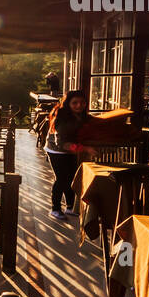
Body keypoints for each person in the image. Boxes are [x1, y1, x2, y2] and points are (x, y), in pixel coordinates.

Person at [44, 90, 92, 220]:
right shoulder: (62, 117)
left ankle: (70, 206)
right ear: (68, 103)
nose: (79, 105)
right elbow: (61, 143)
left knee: (71, 177)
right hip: (56, 150)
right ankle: (55, 209)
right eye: (74, 103)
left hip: (71, 150)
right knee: (61, 179)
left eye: (82, 102)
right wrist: (84, 148)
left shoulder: (81, 115)